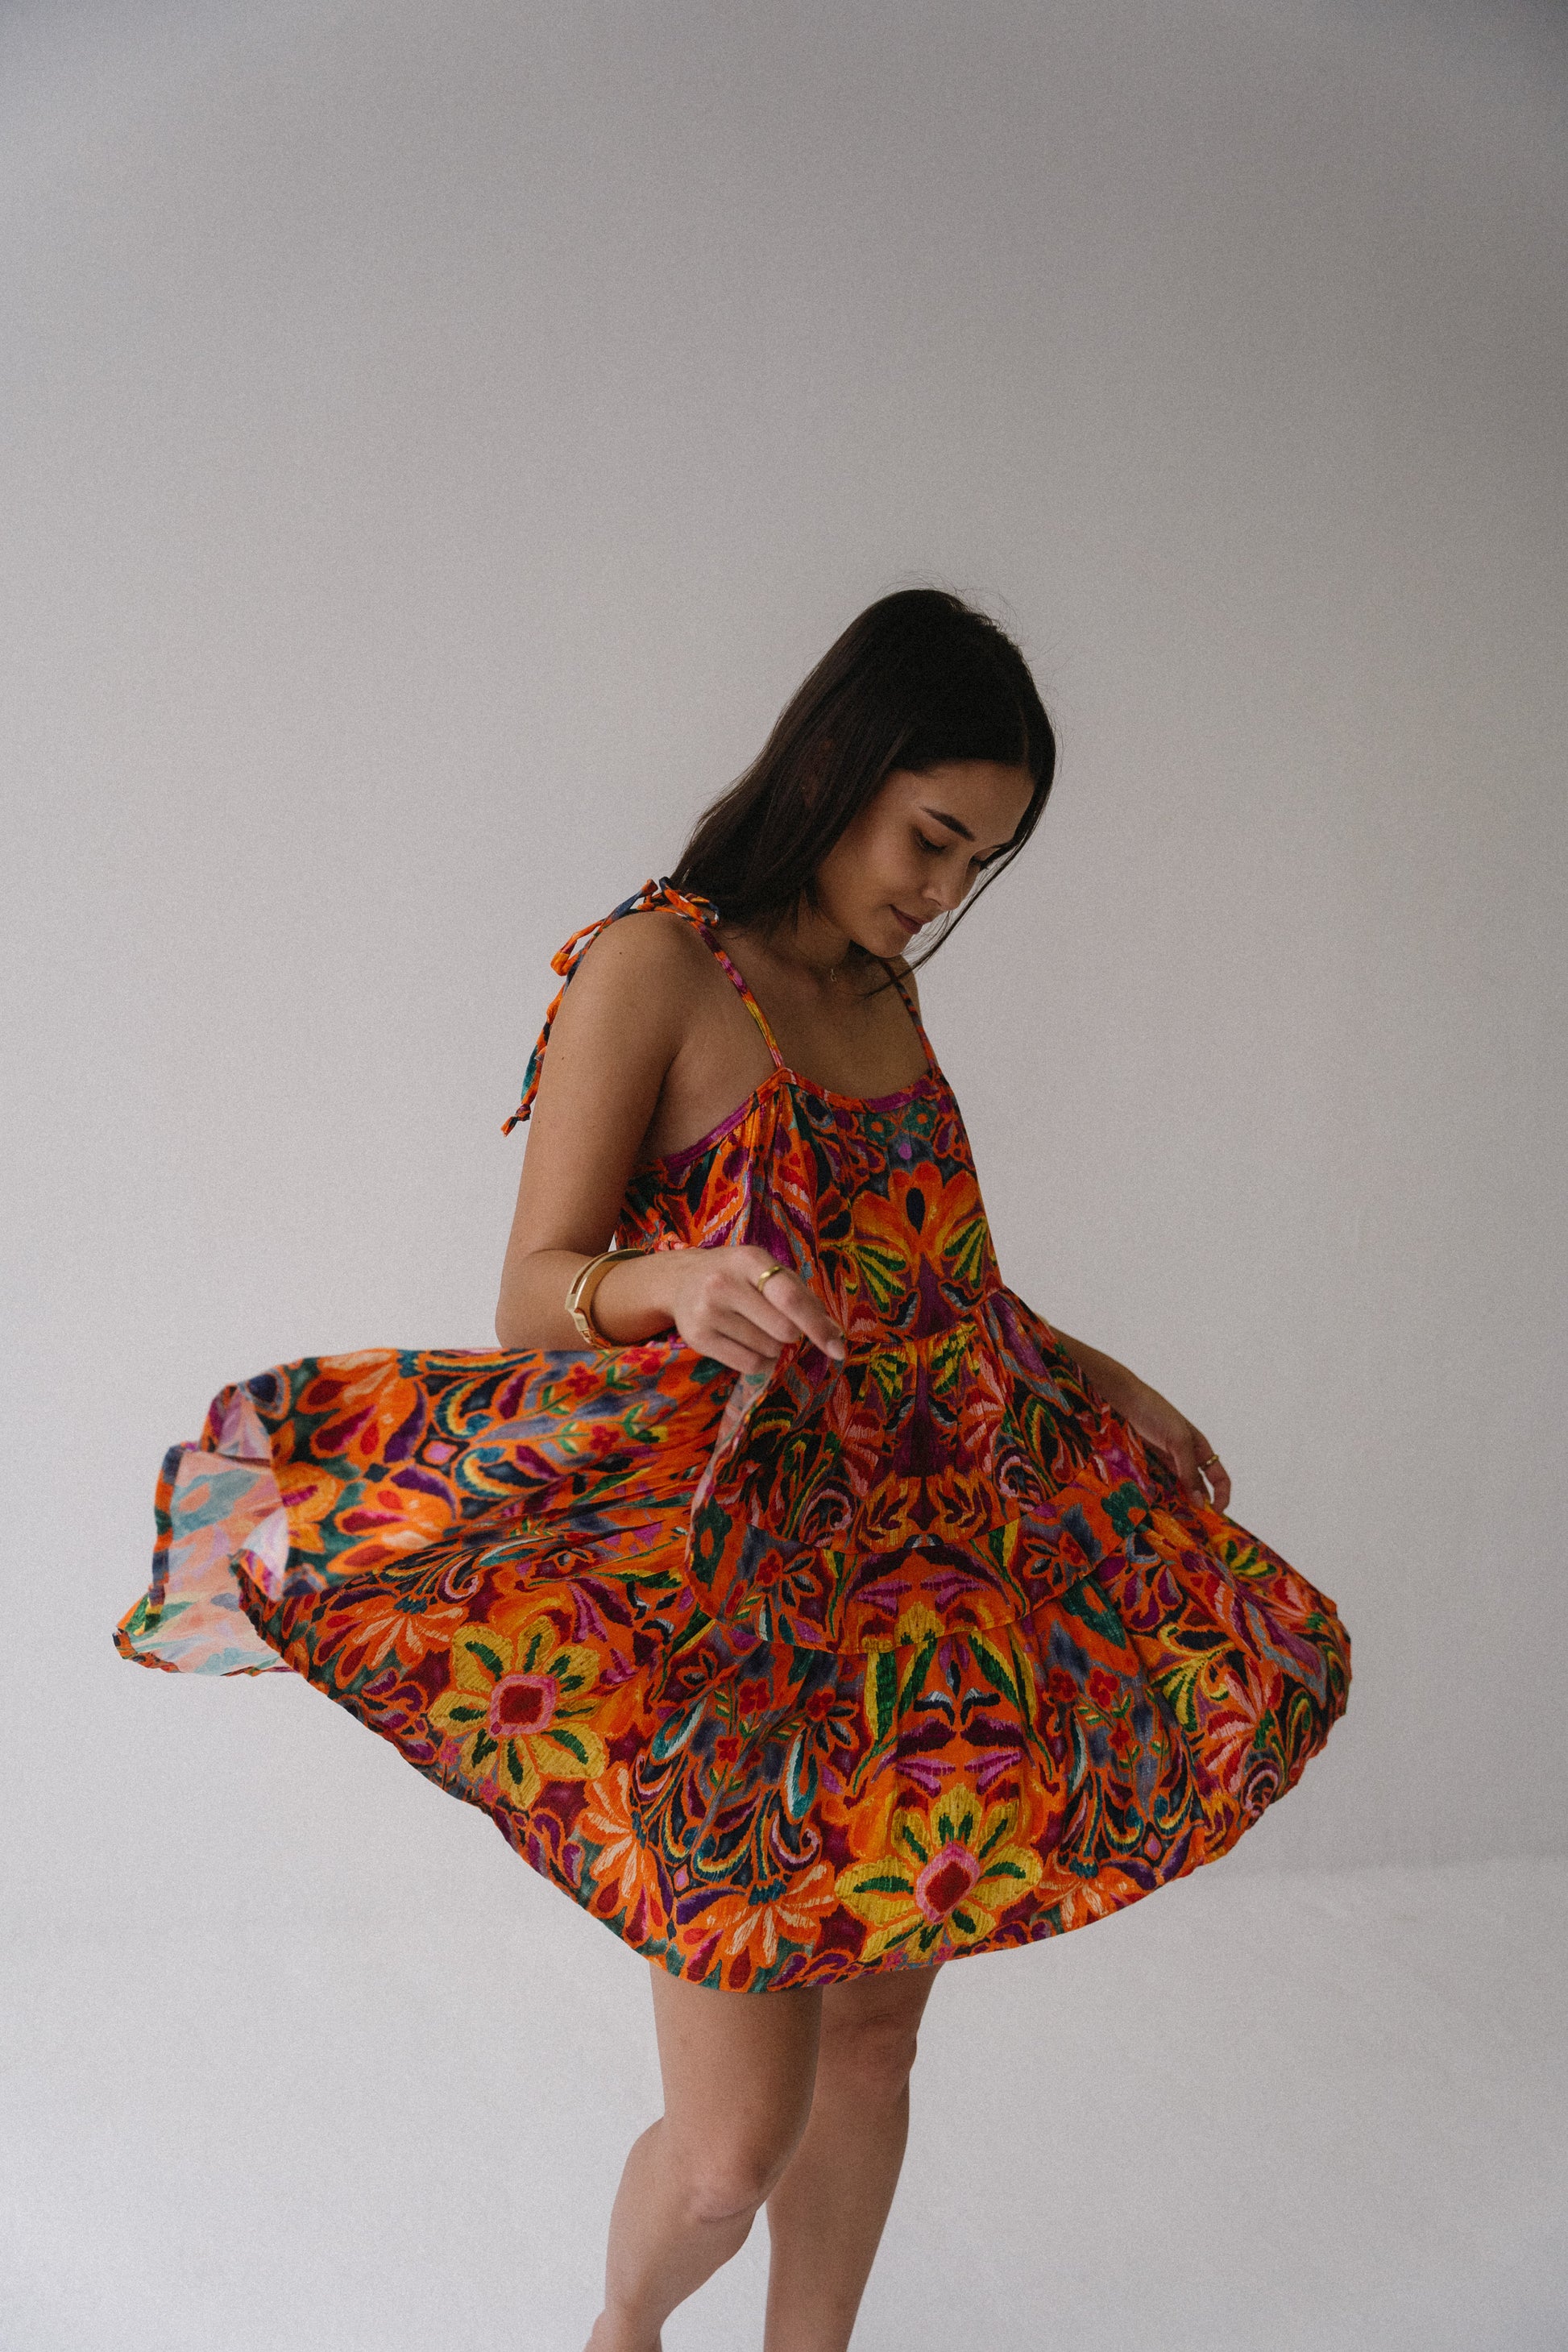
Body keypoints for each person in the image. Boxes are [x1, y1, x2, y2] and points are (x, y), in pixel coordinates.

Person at [117, 587, 1350, 2352]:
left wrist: (1102, 1376)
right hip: (740, 1615)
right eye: (929, 835)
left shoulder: (879, 990)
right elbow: (533, 1292)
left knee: (876, 2036)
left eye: (977, 862)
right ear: (840, 765)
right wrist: (672, 1282)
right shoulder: (659, 965)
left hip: (929, 1593)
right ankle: (621, 2335)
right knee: (724, 2147)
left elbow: (939, 1281)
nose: (937, 889)